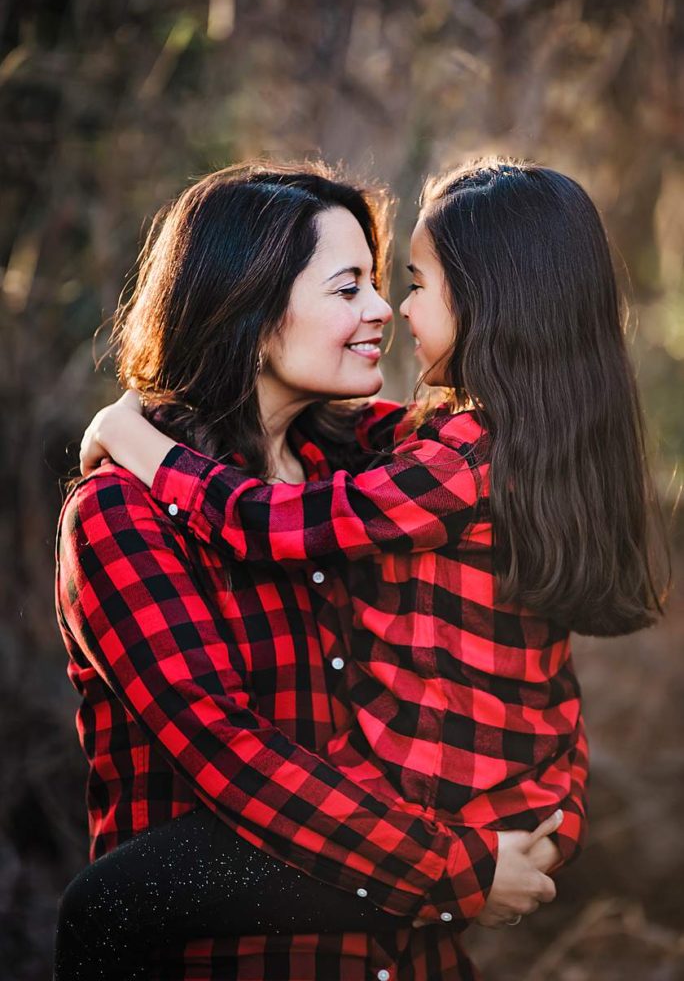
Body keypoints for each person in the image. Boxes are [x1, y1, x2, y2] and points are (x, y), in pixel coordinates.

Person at [55, 161, 565, 981]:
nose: (380, 313)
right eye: (347, 288)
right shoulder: (125, 515)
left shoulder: (371, 479)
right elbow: (229, 753)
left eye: (382, 282)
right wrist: (452, 872)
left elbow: (514, 637)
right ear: (249, 314)